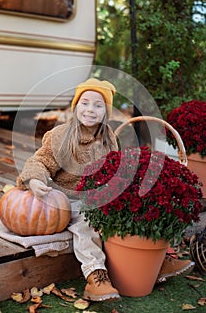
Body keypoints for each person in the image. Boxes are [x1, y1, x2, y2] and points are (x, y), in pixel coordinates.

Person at [17, 78, 194, 301]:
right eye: (85, 103)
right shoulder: (61, 136)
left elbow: (115, 167)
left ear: (106, 112)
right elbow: (39, 162)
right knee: (86, 223)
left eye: (98, 105)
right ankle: (95, 275)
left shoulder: (109, 136)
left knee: (134, 210)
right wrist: (34, 180)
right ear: (76, 106)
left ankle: (156, 263)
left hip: (100, 197)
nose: (90, 109)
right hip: (69, 199)